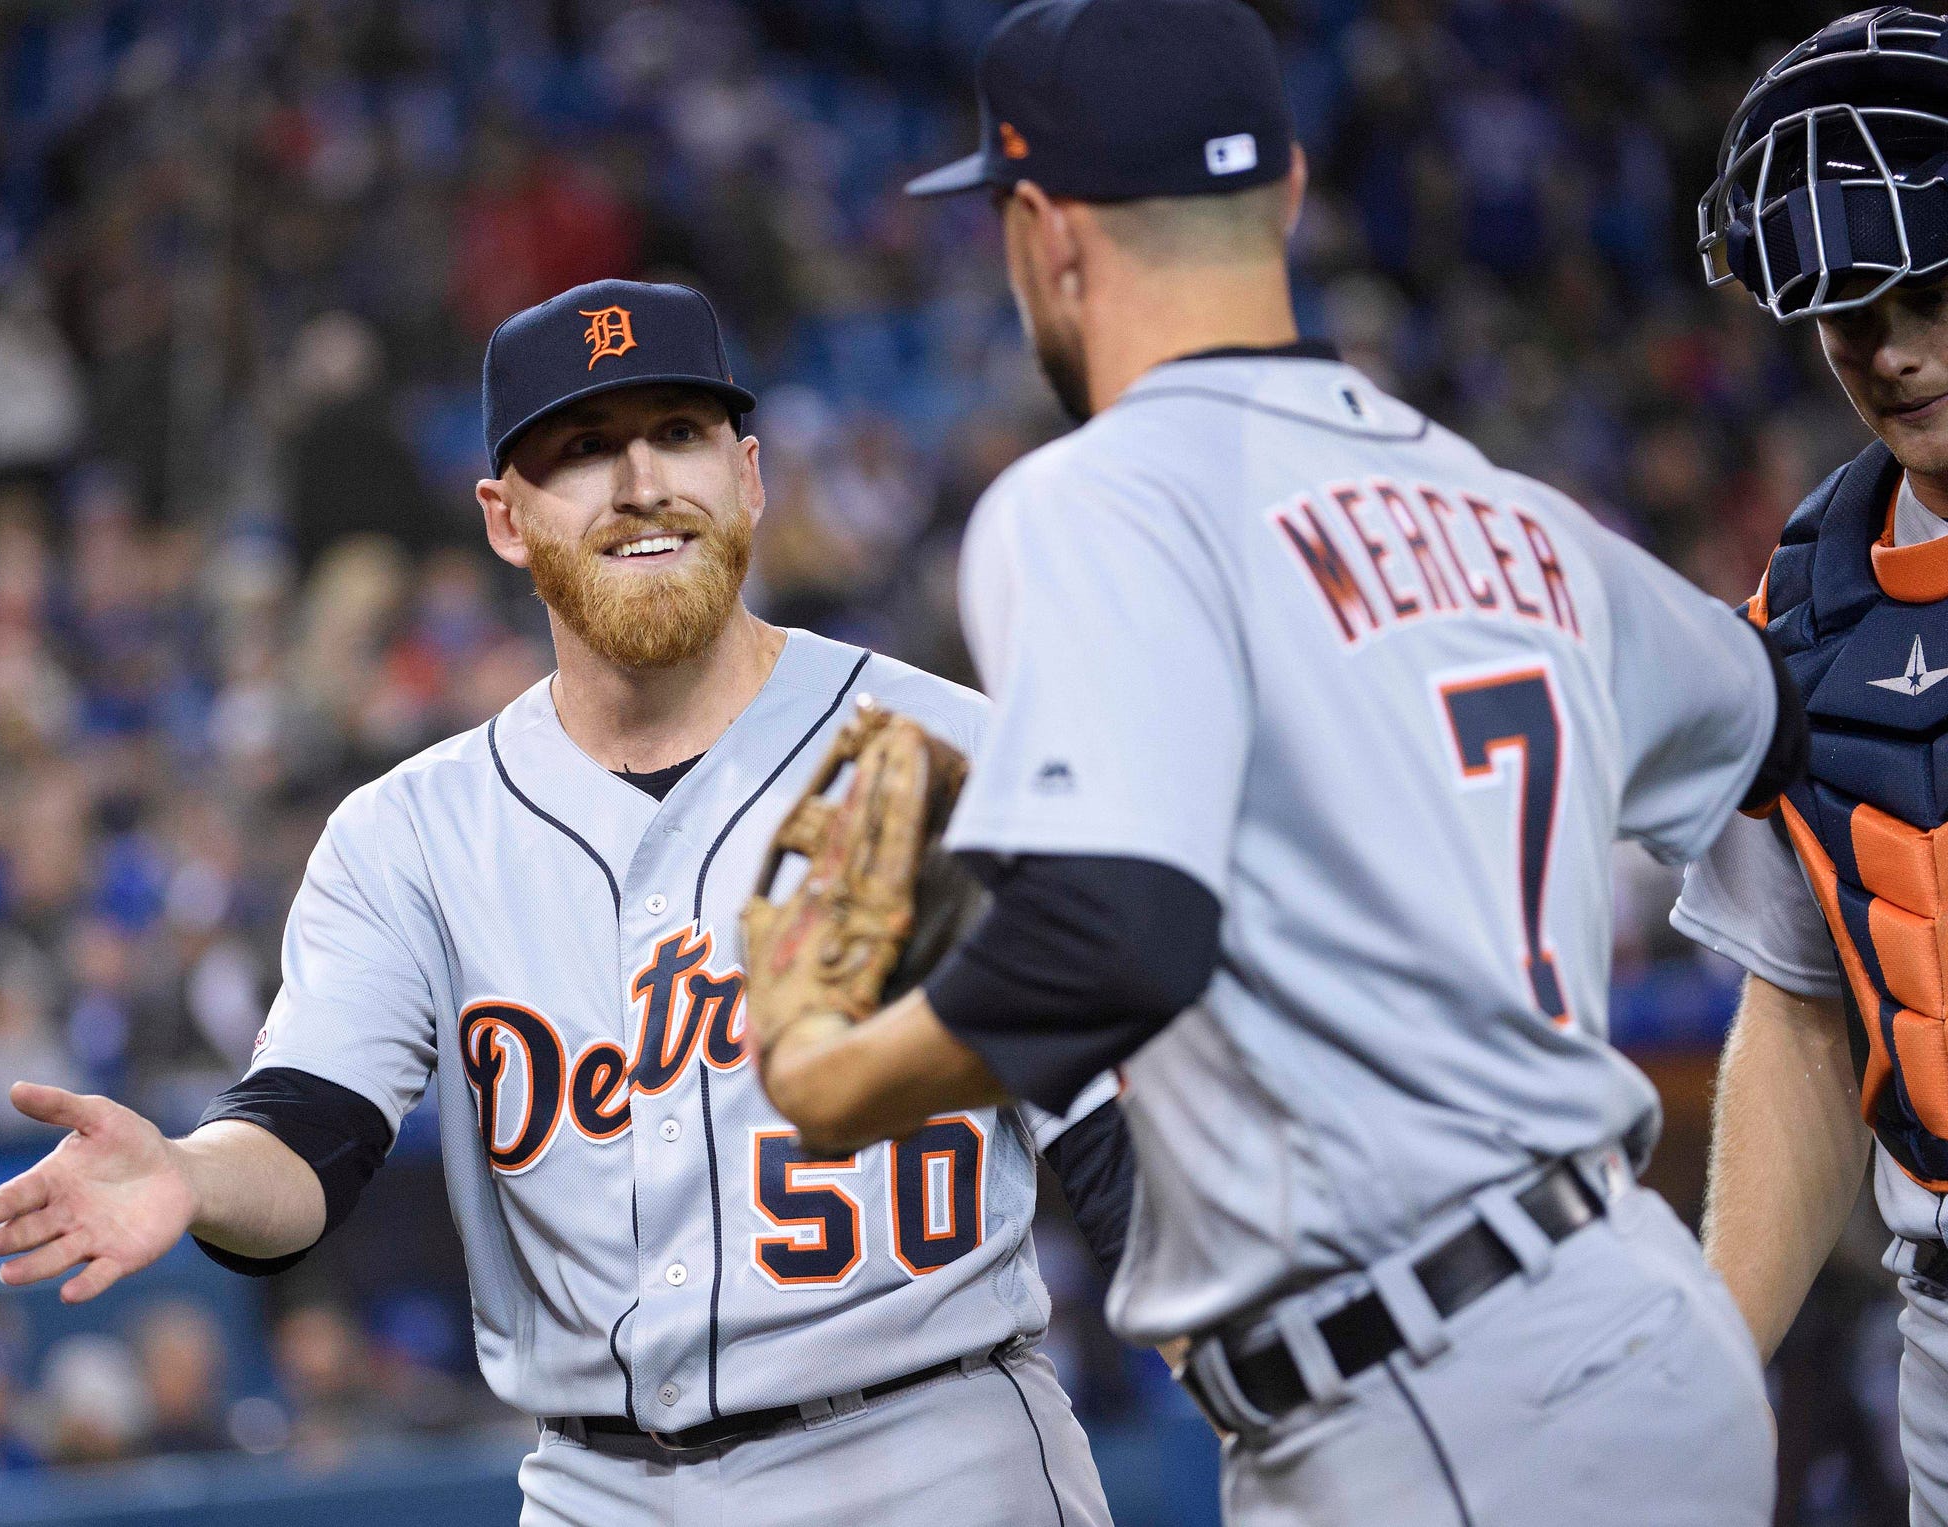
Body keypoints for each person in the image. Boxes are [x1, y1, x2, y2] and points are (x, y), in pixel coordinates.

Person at [748, 2, 1801, 1523]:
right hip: (1623, 1328)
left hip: (1442, 1391)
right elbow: (1785, 708)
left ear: (1043, 231)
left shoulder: (1097, 496)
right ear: (1292, 192)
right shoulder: (1509, 510)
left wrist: (846, 1078)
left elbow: (1117, 930)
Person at [0, 278, 1128, 1527]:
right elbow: (309, 1130)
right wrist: (196, 1177)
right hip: (599, 1488)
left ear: (749, 475)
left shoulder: (950, 753)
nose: (640, 483)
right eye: (582, 450)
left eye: (678, 434)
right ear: (505, 518)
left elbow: (1124, 1150)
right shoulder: (409, 836)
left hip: (931, 1453)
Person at [1671, 10, 1948, 1522]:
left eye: (1926, 283)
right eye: (1845, 305)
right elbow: (1808, 1013)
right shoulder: (1798, 618)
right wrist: (1714, 1354)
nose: (1889, 345)